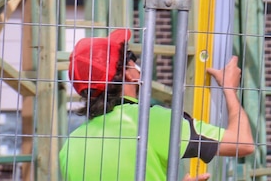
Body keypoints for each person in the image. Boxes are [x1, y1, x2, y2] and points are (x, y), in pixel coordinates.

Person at [59, 29, 255, 181]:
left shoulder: (71, 144)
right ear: (128, 73)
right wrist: (229, 89)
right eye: (131, 58)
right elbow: (242, 143)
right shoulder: (152, 121)